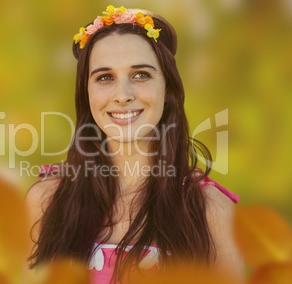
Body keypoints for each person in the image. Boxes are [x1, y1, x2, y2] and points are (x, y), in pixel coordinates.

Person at [25, 5, 244, 284]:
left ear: (167, 90)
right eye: (105, 77)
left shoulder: (212, 211)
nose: (123, 95)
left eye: (141, 74)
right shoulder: (45, 201)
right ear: (86, 93)